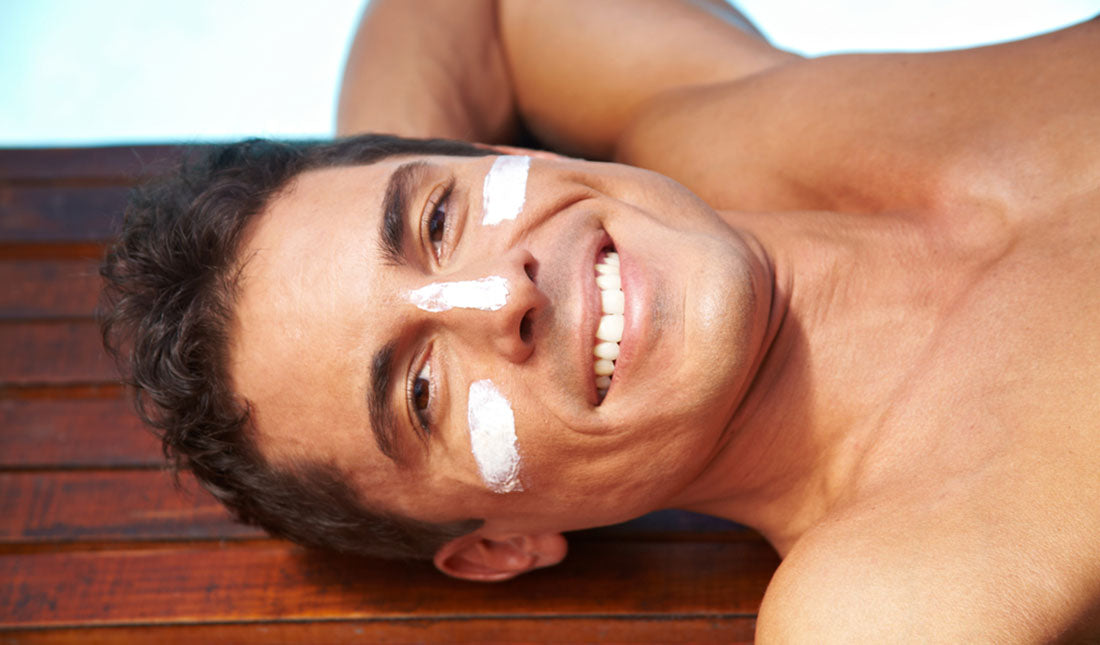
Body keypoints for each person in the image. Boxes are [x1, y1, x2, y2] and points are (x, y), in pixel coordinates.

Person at [99, 1, 1100, 641]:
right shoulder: (896, 599)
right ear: (502, 542)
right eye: (420, 392)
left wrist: (389, 177)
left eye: (439, 217)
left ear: (487, 149)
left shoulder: (711, 116)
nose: (503, 295)